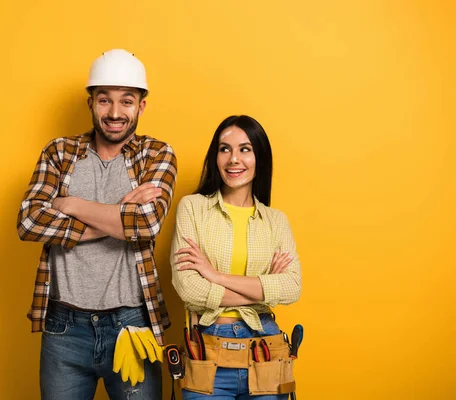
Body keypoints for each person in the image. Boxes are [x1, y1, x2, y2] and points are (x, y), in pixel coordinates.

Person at [17, 49, 177, 400]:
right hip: (64, 328)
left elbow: (147, 224)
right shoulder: (59, 153)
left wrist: (71, 205)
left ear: (141, 106)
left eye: (127, 101)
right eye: (104, 100)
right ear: (90, 102)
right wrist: (119, 213)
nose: (115, 113)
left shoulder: (157, 154)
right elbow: (29, 220)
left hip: (132, 324)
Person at [170, 115, 301, 399]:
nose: (233, 159)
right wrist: (266, 290)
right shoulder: (192, 209)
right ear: (215, 156)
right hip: (207, 350)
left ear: (260, 157)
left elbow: (292, 287)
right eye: (224, 148)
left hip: (266, 347)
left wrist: (216, 276)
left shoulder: (276, 221)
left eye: (245, 149)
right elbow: (190, 289)